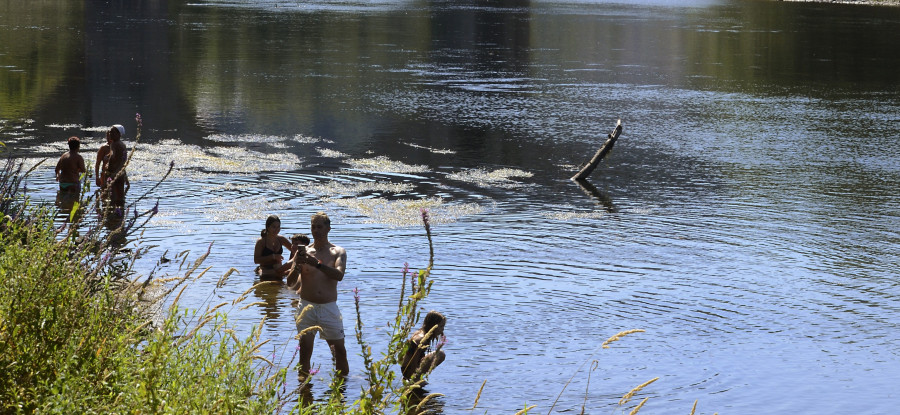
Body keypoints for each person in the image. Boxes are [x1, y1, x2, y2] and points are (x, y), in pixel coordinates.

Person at [287, 212, 348, 379]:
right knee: (305, 351)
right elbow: (290, 282)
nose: (316, 230)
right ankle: (304, 389)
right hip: (306, 306)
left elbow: (339, 275)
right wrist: (297, 267)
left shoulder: (338, 252)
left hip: (328, 307)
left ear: (328, 228)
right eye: (313, 227)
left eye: (320, 227)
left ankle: (343, 388)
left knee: (339, 351)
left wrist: (318, 265)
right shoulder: (304, 252)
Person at [401, 310, 447, 381]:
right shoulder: (421, 339)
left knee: (439, 354)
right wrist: (410, 377)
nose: (443, 329)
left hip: (407, 367)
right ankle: (416, 378)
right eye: (441, 326)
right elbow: (414, 359)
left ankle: (416, 376)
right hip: (408, 369)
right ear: (433, 325)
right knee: (440, 354)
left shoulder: (421, 332)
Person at [254, 215, 292, 282]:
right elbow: (256, 260)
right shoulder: (261, 241)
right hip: (265, 270)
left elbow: (295, 250)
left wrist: (291, 261)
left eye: (278, 227)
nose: (277, 230)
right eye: (274, 227)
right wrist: (273, 257)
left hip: (279, 269)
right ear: (268, 227)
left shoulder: (281, 239)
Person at [105, 124, 129, 206]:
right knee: (118, 197)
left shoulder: (116, 144)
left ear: (119, 134)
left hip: (114, 173)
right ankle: (119, 215)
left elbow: (118, 159)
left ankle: (114, 215)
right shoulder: (118, 144)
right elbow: (118, 158)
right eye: (110, 132)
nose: (110, 134)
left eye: (113, 133)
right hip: (117, 173)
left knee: (114, 198)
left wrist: (114, 173)